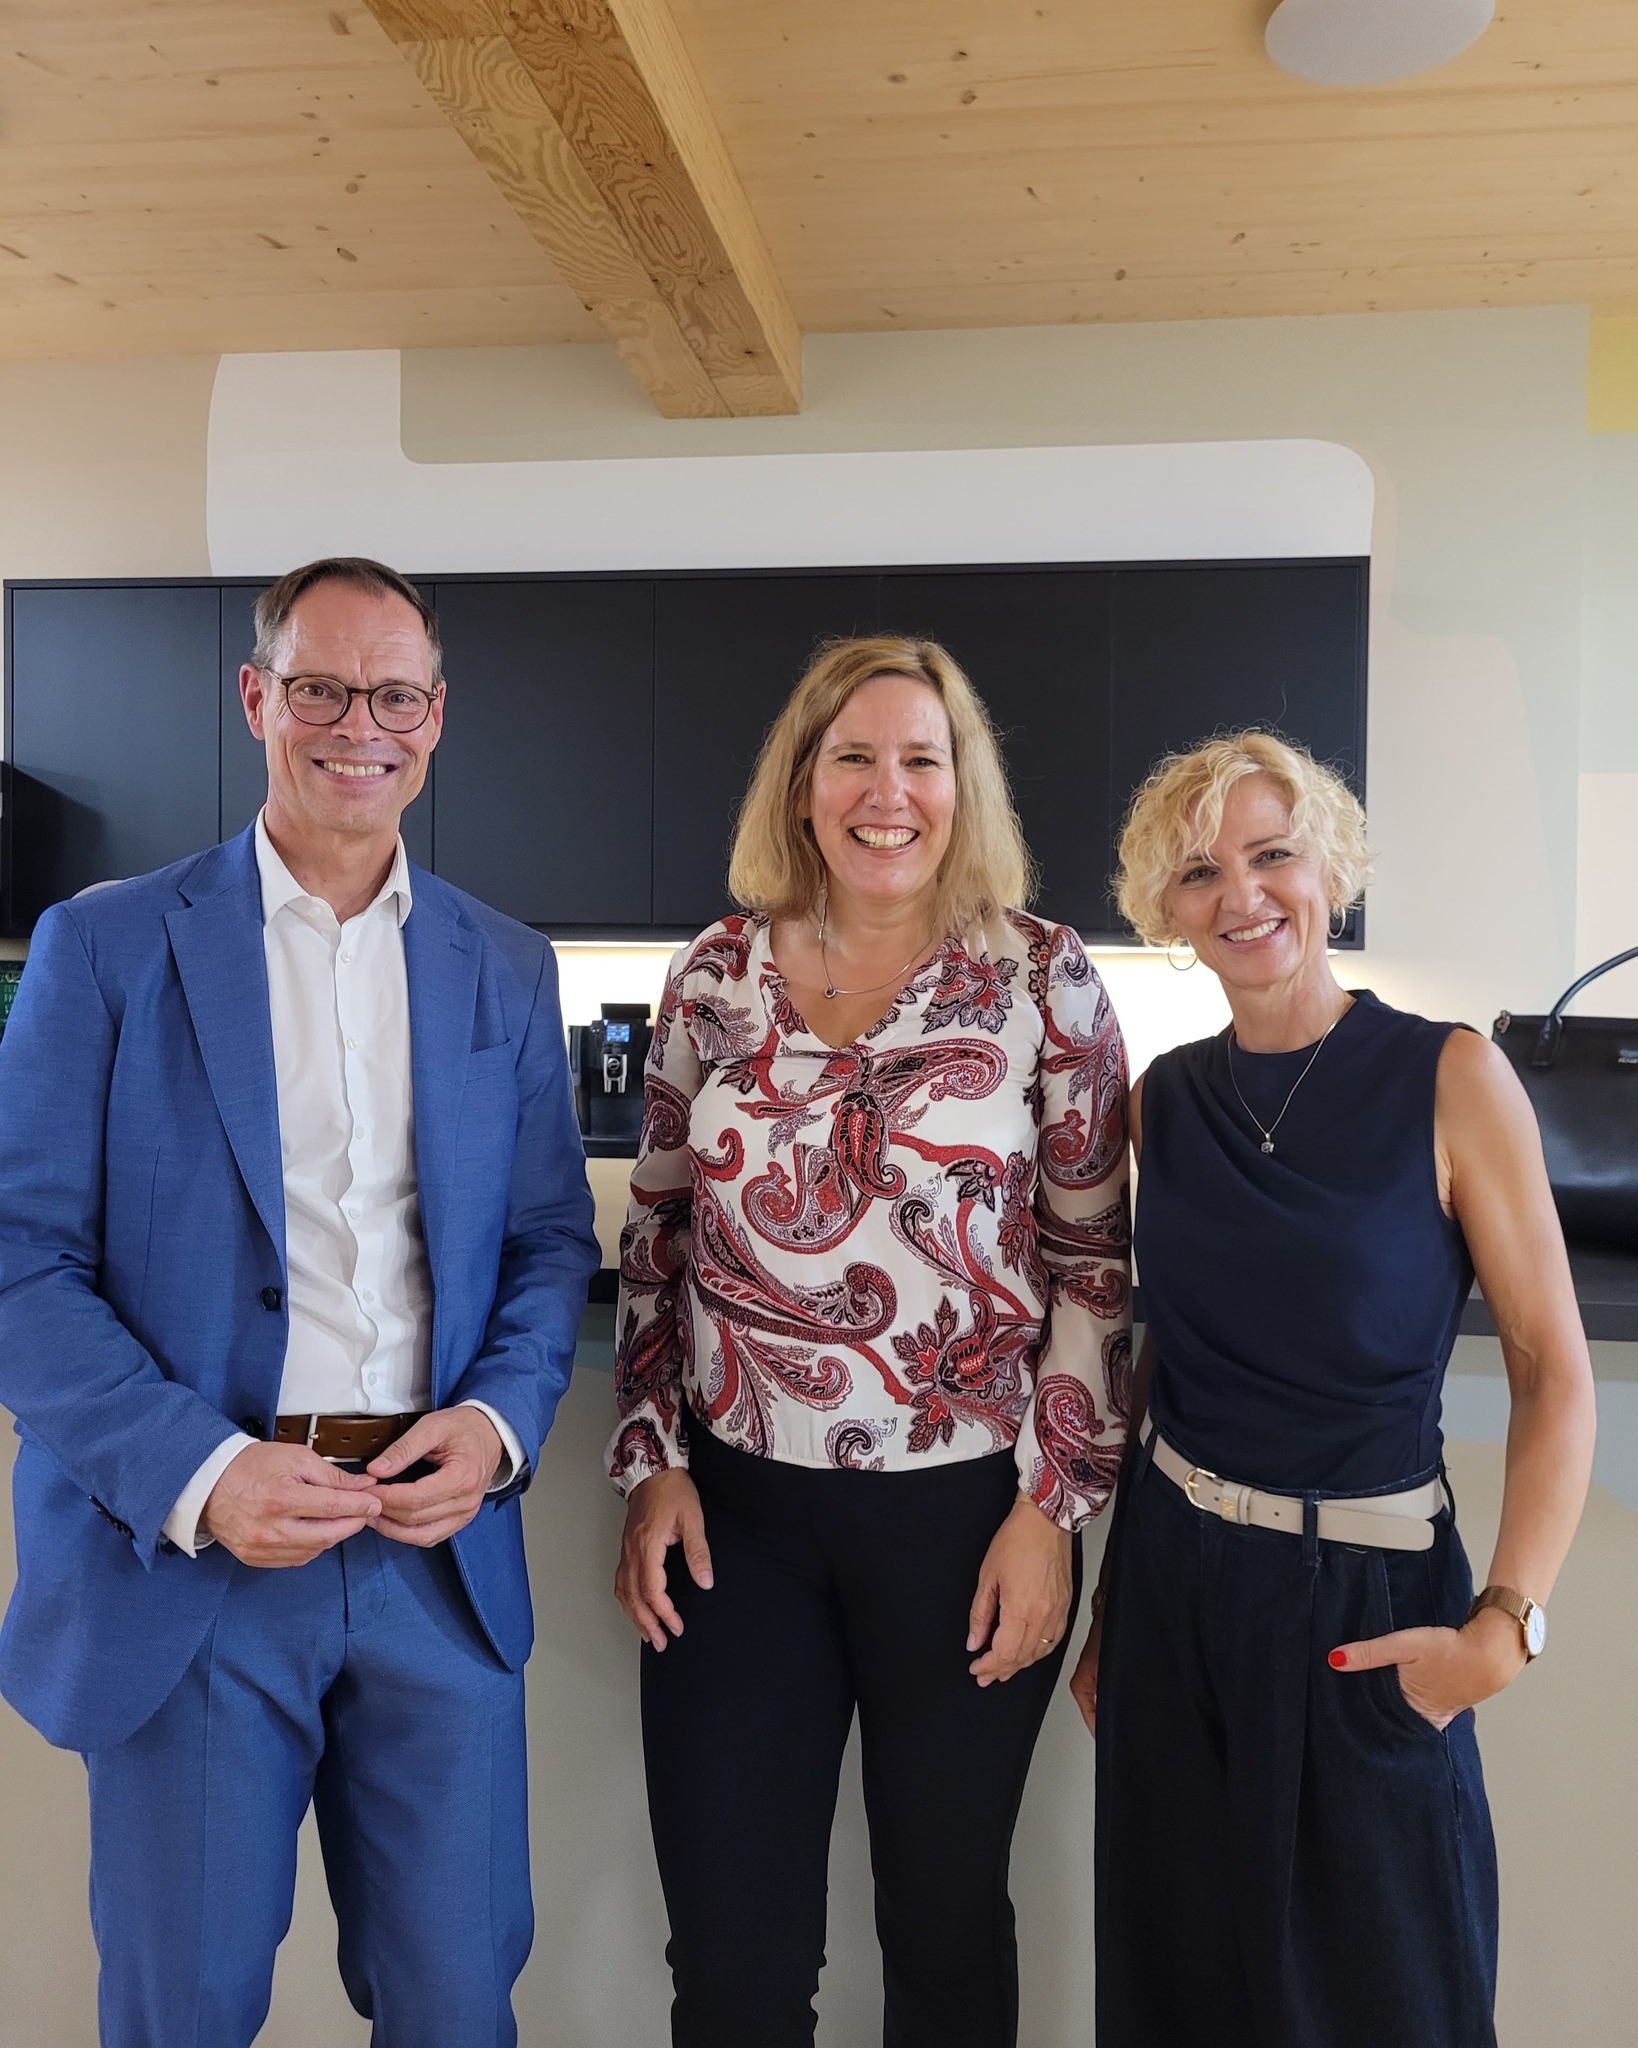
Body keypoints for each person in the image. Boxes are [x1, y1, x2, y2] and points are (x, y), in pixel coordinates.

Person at [0, 557, 600, 2047]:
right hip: (198, 1560)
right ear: (257, 697)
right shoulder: (107, 947)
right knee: (187, 2009)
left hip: (431, 1560)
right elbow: (18, 1262)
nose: (358, 726)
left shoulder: (504, 967)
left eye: (394, 696)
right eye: (321, 688)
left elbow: (547, 1244)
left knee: (457, 2003)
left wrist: (496, 1427)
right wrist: (202, 1473)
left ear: (435, 717)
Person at [608, 635, 1130, 2048]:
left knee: (945, 1937)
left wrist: (1050, 1512)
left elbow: (1092, 1268)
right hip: (734, 1524)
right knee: (732, 1955)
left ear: (964, 787)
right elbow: (658, 1239)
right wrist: (652, 1464)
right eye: (852, 757)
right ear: (801, 783)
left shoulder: (1042, 980)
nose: (885, 792)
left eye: (920, 759)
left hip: (966, 1524)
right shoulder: (713, 975)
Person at [1070, 731, 1596, 2048]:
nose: (1241, 896)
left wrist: (1506, 1628)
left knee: (1387, 2004)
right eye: (1200, 872)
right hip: (1175, 1594)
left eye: (1271, 855)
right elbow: (1166, 1364)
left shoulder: (1450, 1075)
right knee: (1178, 2000)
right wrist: (1115, 1607)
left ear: (1329, 869)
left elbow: (1550, 1369)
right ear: (1165, 907)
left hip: (1367, 1601)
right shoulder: (1163, 1102)